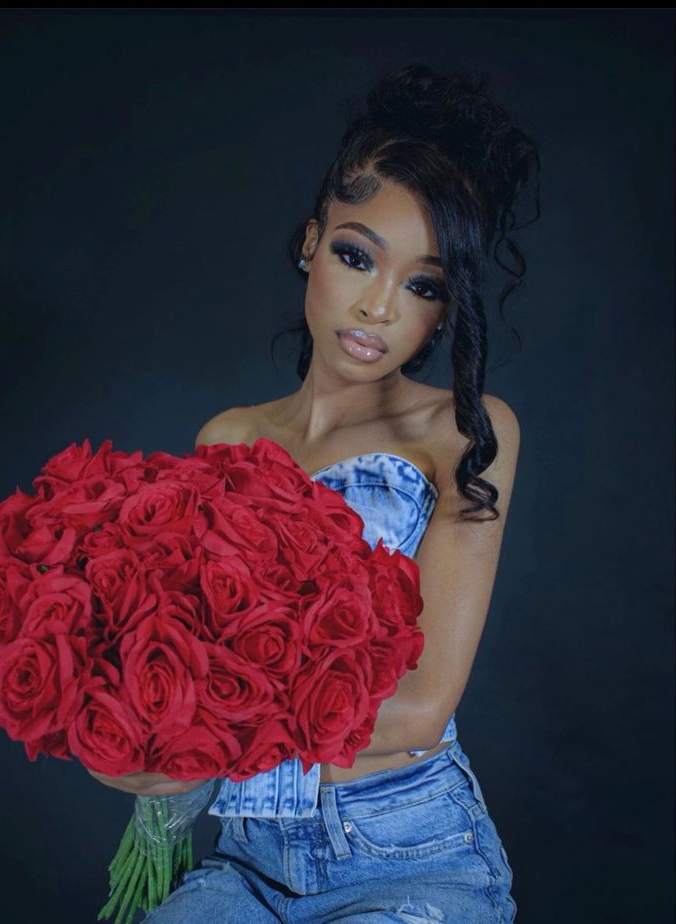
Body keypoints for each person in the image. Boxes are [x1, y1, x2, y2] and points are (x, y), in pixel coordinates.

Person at [89, 62, 540, 922]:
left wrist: (207, 735)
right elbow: (186, 658)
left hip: (409, 856)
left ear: (444, 310)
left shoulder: (466, 433)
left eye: (421, 284)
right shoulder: (228, 440)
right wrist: (132, 735)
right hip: (247, 861)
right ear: (309, 242)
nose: (377, 306)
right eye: (355, 255)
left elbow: (416, 709)